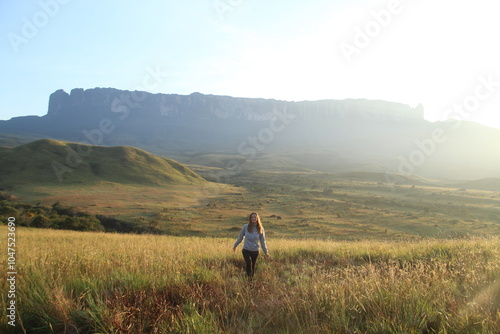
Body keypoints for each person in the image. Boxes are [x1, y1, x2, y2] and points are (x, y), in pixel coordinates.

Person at [233, 212, 270, 279]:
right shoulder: (245, 227)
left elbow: (262, 241)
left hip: (255, 250)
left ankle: (251, 281)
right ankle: (248, 278)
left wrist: (266, 252)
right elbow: (240, 237)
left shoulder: (260, 228)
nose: (253, 218)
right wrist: (235, 245)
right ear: (250, 218)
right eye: (252, 217)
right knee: (248, 263)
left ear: (257, 218)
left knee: (252, 266)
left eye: (255, 217)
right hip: (246, 249)